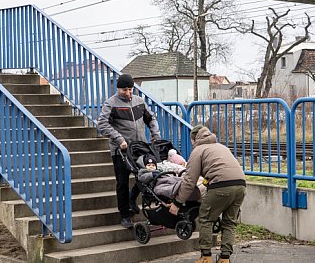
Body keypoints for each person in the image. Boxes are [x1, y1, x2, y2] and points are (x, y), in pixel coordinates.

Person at [169, 125, 246, 263]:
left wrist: (177, 203)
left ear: (194, 139)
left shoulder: (198, 150)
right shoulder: (221, 147)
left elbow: (189, 181)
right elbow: (219, 169)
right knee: (229, 223)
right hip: (241, 185)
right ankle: (224, 258)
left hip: (221, 187)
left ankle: (206, 256)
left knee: (205, 219)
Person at [97, 73, 160, 229]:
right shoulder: (110, 104)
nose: (128, 93)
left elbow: (151, 118)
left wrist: (155, 135)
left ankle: (133, 197)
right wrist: (119, 139)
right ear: (118, 89)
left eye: (130, 89)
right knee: (122, 182)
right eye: (124, 90)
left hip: (140, 147)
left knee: (145, 177)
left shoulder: (139, 102)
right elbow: (102, 124)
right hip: (121, 150)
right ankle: (125, 215)